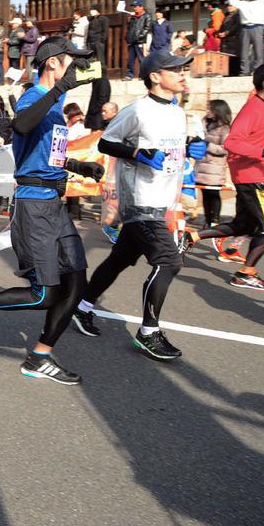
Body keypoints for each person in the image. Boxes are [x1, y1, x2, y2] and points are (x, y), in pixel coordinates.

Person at [0, 36, 103, 385]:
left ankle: (40, 356)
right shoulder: (35, 97)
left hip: (55, 203)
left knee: (76, 285)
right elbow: (21, 126)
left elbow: (49, 153)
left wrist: (79, 166)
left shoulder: (56, 104)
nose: (76, 67)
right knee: (44, 294)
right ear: (53, 63)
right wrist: (60, 88)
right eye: (71, 60)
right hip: (33, 204)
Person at [71, 51, 205, 360]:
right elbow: (105, 143)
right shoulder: (137, 111)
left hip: (162, 200)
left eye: (183, 69)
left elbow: (169, 151)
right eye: (175, 69)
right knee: (169, 262)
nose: (183, 74)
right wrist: (137, 154)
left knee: (119, 259)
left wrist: (189, 149)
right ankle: (148, 332)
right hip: (141, 201)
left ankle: (82, 306)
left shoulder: (176, 111)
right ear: (155, 76)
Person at [180, 64, 264, 290]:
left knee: (243, 225)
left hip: (259, 175)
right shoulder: (253, 108)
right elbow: (232, 142)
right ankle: (246, 273)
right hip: (251, 178)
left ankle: (191, 237)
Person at [196, 99, 233, 228]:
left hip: (214, 167)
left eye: (210, 109)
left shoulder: (225, 128)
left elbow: (225, 148)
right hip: (202, 166)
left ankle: (215, 220)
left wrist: (208, 146)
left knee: (214, 194)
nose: (208, 111)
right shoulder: (204, 123)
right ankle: (207, 220)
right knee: (204, 194)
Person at [228, 0, 264, 75]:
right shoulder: (245, 3)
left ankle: (257, 70)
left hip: (258, 27)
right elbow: (233, 1)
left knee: (258, 51)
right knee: (244, 51)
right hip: (245, 28)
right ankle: (244, 70)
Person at [124, 0, 150, 80]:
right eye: (134, 7)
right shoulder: (133, 17)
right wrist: (128, 38)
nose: (134, 8)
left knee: (141, 59)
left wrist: (139, 37)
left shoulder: (146, 16)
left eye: (136, 6)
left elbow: (147, 28)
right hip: (132, 41)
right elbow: (130, 28)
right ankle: (129, 75)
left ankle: (143, 75)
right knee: (130, 60)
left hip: (140, 41)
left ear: (141, 7)